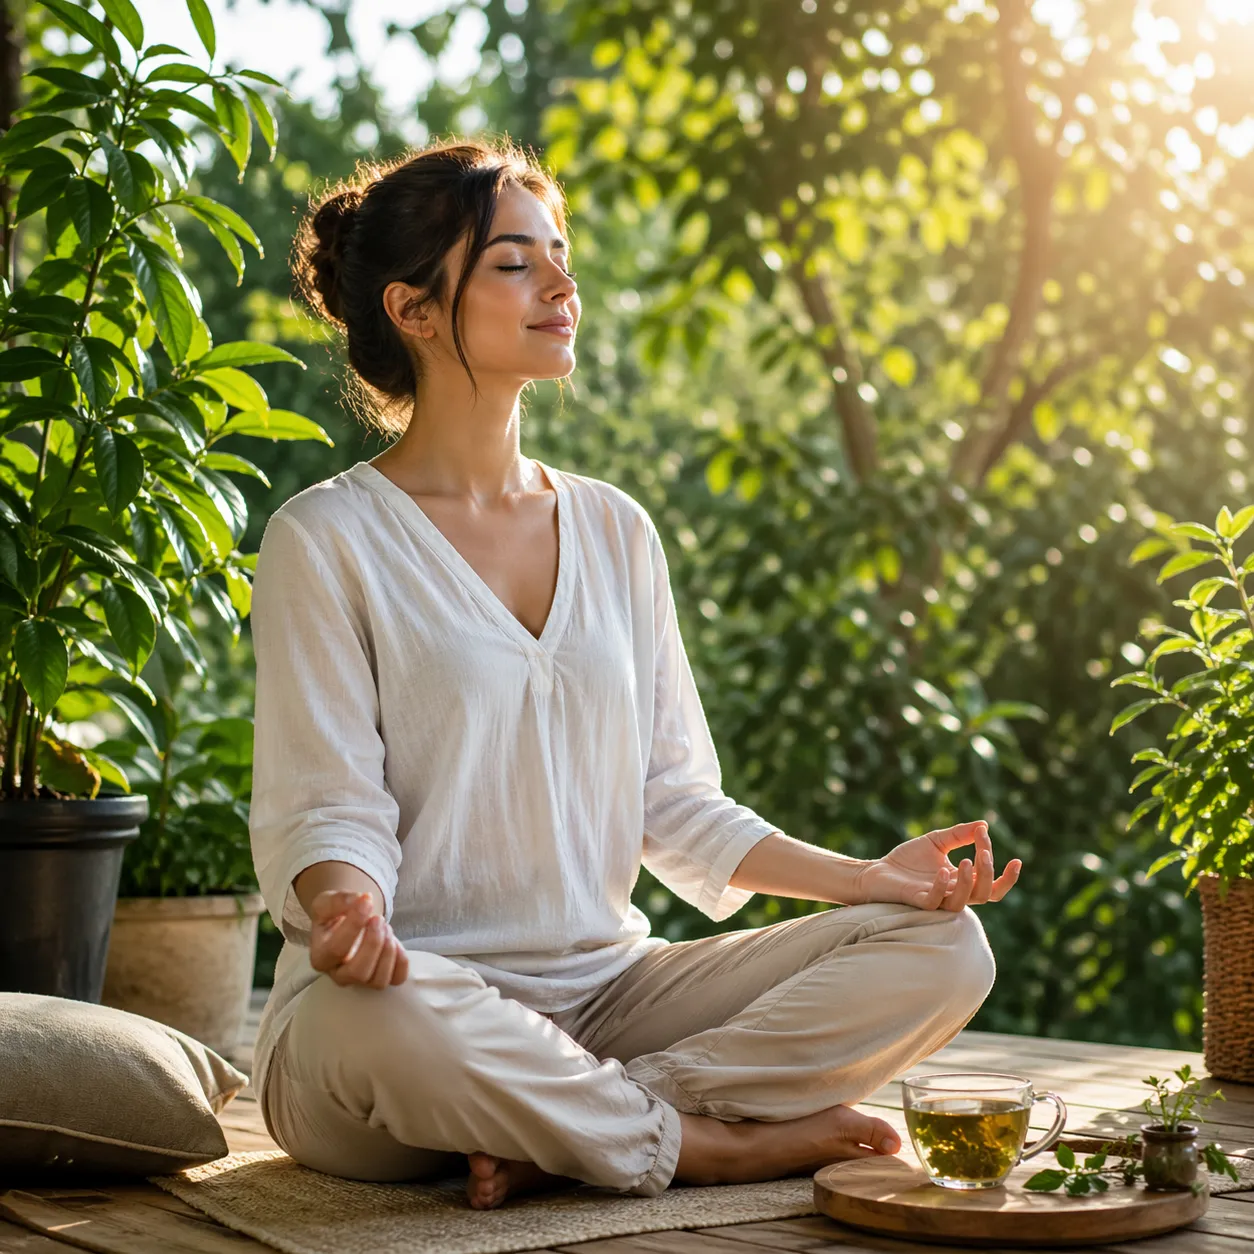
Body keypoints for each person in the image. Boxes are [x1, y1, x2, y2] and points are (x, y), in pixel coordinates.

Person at [248, 136, 1022, 1212]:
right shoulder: (326, 538)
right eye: (516, 262)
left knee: (945, 948)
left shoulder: (615, 529)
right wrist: (347, 911)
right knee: (372, 1019)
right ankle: (705, 1143)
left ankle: (590, 1122)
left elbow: (672, 801)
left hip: (608, 998)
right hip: (410, 1009)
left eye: (560, 254)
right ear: (416, 310)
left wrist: (870, 878)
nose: (563, 285)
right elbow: (325, 804)